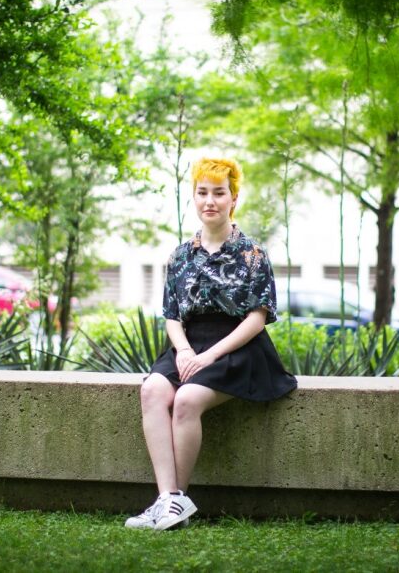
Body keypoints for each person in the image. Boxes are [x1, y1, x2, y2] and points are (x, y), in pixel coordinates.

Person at [125, 157, 297, 531]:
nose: (210, 201)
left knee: (186, 400)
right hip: (189, 341)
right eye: (203, 192)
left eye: (219, 193)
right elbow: (172, 315)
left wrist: (210, 355)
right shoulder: (181, 255)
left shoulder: (252, 253)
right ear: (195, 197)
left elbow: (258, 317)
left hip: (237, 346)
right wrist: (185, 351)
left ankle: (175, 502)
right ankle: (169, 500)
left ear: (233, 198)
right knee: (153, 390)